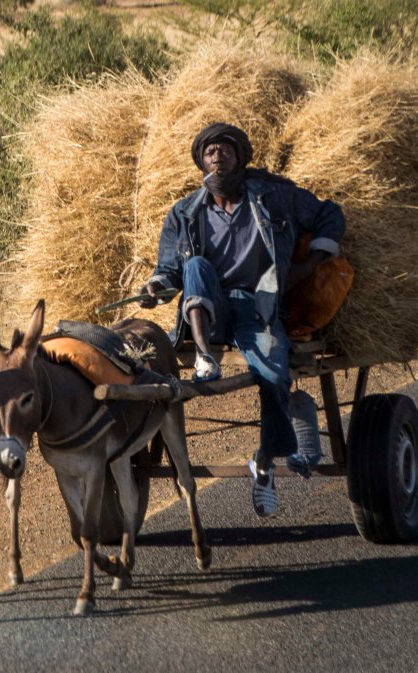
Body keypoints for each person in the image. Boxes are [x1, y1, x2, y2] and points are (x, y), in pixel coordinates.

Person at [139, 122, 345, 518]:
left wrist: (314, 260)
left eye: (225, 149)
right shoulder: (184, 212)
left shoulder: (275, 197)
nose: (217, 155)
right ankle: (204, 357)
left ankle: (265, 463)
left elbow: (329, 214)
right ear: (201, 162)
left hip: (259, 307)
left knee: (274, 378)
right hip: (209, 310)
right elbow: (168, 269)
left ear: (241, 159)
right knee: (195, 265)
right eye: (210, 151)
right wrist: (156, 288)